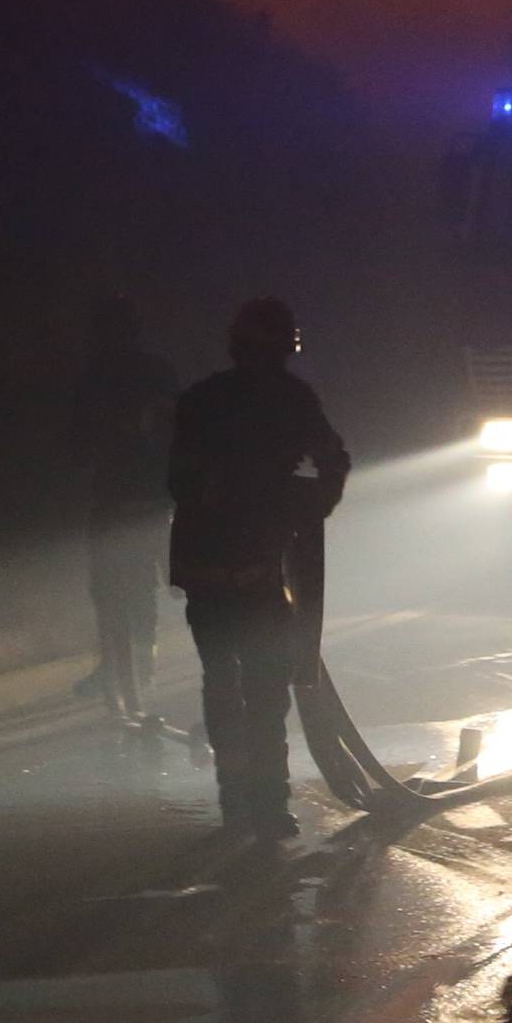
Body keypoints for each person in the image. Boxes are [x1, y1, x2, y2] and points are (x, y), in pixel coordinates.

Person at [167, 297, 350, 841]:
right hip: (256, 571)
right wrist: (307, 503)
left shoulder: (202, 399)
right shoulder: (291, 398)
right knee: (264, 691)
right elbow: (333, 460)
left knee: (224, 686)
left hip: (208, 569)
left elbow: (175, 483)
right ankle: (268, 805)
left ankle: (237, 804)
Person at [71, 298, 179, 725]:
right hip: (143, 500)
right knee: (136, 590)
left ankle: (129, 672)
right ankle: (132, 669)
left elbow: (73, 444)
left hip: (126, 500)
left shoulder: (96, 379)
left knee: (117, 592)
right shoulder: (154, 373)